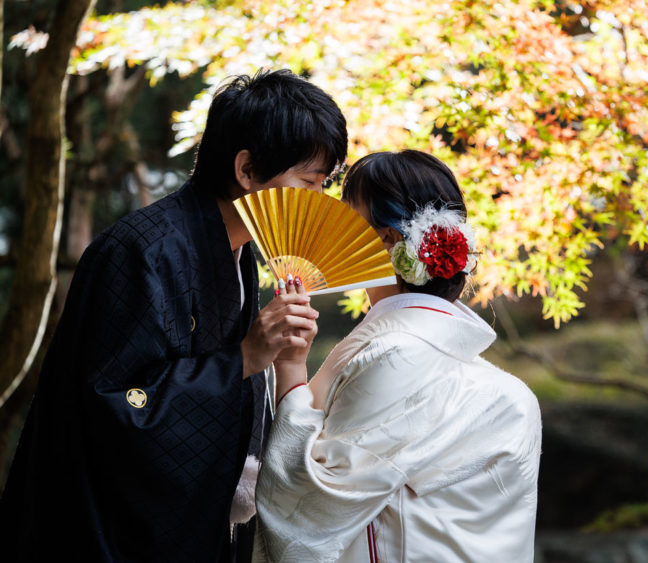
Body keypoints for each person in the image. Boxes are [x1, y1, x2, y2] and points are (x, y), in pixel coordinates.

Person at [0, 69, 348, 562]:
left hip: (200, 526)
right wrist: (243, 359)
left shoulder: (242, 255)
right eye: (308, 183)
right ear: (247, 170)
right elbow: (116, 405)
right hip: (111, 533)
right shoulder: (144, 250)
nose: (317, 203)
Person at [255, 150, 542, 562]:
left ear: (388, 241)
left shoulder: (397, 356)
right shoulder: (501, 389)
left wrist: (289, 369)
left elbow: (311, 508)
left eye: (347, 220)